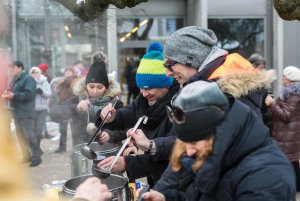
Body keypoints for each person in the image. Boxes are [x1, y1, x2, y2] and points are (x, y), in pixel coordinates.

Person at [127, 26, 277, 176]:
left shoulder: (225, 95)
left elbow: (198, 149)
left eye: (169, 64)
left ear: (190, 58)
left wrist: (150, 147)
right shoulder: (208, 88)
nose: (167, 73)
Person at [139, 81, 296, 201]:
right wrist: (167, 198)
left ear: (216, 130)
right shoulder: (218, 153)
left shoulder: (266, 176)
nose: (189, 151)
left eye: (193, 142)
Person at [97, 42, 179, 187]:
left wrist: (128, 164)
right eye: (141, 87)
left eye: (150, 88)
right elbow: (129, 113)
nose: (144, 93)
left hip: (174, 180)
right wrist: (113, 116)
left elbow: (174, 151)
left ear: (166, 85)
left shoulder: (177, 104)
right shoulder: (143, 100)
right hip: (155, 179)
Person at [265, 66, 300, 192]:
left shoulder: (293, 94)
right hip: (289, 136)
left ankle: (290, 189)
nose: (282, 78)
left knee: (288, 163)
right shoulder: (292, 92)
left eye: (284, 76)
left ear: (290, 79)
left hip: (288, 137)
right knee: (292, 162)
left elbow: (286, 115)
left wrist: (272, 103)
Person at [2, 60, 42, 167]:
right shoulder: (16, 80)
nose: (11, 71)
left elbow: (29, 95)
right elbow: (12, 92)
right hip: (17, 112)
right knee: (20, 136)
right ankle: (26, 156)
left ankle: (36, 157)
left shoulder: (28, 79)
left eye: (13, 68)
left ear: (20, 68)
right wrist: (8, 94)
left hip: (27, 113)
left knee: (29, 136)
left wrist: (14, 96)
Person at [29, 67, 52, 154]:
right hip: (32, 109)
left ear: (40, 73)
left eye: (37, 72)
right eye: (33, 72)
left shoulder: (44, 81)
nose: (35, 74)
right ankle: (35, 149)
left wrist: (42, 92)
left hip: (42, 109)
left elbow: (49, 94)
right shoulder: (29, 82)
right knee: (33, 130)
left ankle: (38, 147)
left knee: (39, 130)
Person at [248, 53, 273, 130]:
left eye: (263, 68)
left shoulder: (264, 82)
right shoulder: (246, 83)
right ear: (252, 66)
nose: (262, 71)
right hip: (251, 121)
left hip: (262, 120)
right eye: (260, 68)